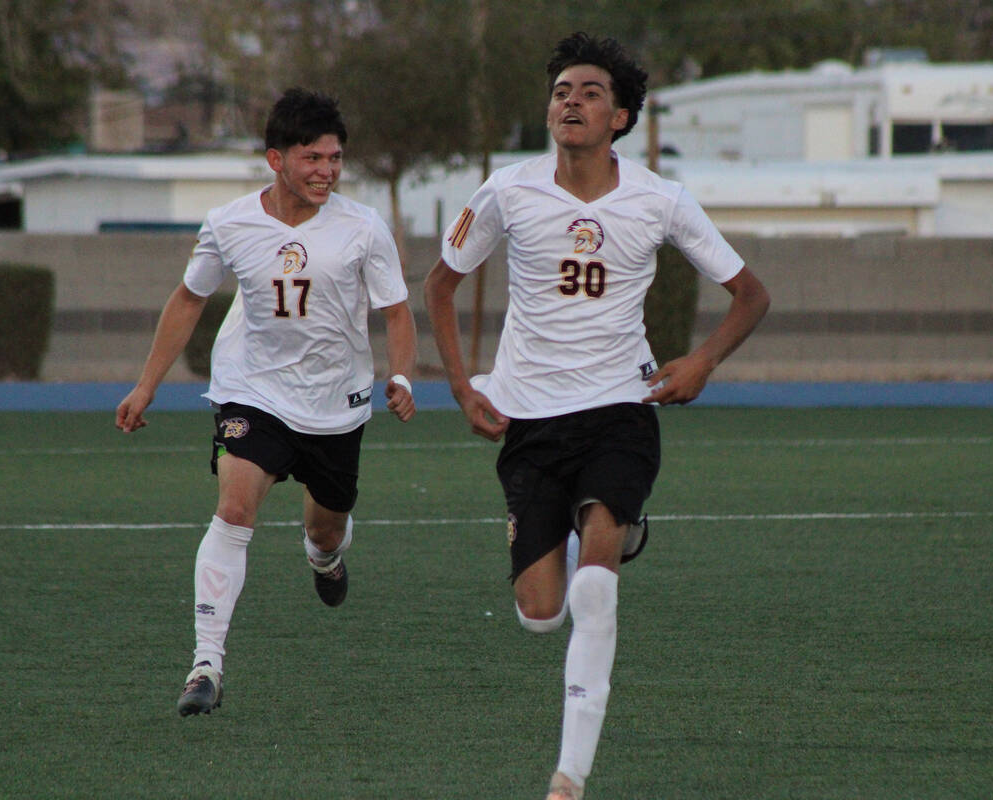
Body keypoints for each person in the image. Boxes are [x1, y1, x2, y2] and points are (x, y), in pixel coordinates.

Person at [424, 32, 769, 800]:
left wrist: (701, 362)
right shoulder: (507, 191)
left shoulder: (661, 198)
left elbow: (752, 294)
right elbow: (440, 287)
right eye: (560, 92)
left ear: (620, 118)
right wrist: (460, 385)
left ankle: (569, 775)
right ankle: (599, 535)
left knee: (596, 586)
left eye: (588, 93)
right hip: (531, 420)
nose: (570, 101)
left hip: (622, 405)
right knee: (542, 614)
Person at [115, 88, 418, 716]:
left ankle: (324, 555)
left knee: (325, 524)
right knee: (234, 507)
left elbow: (395, 310)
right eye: (313, 158)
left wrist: (405, 377)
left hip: (337, 401)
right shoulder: (228, 222)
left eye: (335, 159)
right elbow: (190, 299)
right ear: (276, 159)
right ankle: (206, 664)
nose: (327, 172)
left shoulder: (364, 226)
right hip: (251, 390)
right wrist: (146, 384)